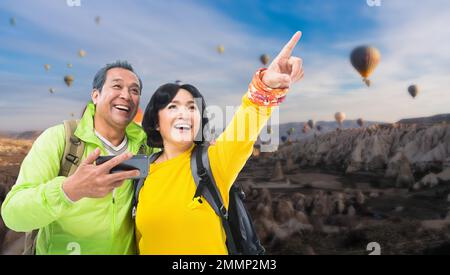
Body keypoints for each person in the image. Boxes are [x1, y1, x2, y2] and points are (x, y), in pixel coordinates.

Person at [136, 32, 304, 254]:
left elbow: (247, 119)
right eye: (173, 106)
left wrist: (266, 85)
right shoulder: (141, 175)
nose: (184, 114)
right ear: (156, 122)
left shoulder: (213, 161)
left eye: (192, 107)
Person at [1, 61, 157, 255]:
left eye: (134, 90)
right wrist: (69, 191)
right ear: (96, 95)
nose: (126, 95)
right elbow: (13, 214)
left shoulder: (145, 145)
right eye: (117, 86)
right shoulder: (59, 139)